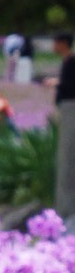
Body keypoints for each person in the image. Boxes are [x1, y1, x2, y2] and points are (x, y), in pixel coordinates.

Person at [54, 32, 75, 219]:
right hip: (66, 108)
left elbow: (70, 87)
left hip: (71, 108)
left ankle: (67, 208)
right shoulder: (67, 61)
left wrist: (57, 85)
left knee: (68, 156)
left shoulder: (72, 62)